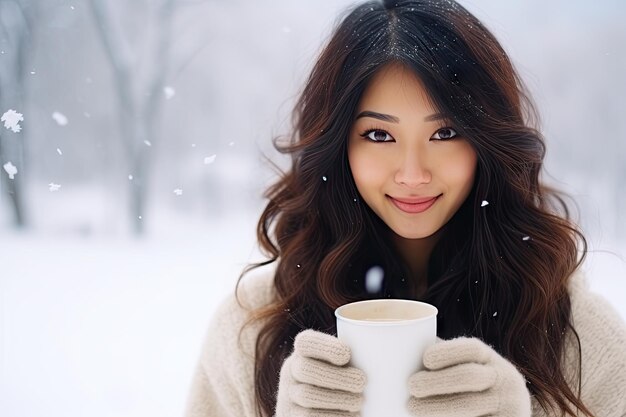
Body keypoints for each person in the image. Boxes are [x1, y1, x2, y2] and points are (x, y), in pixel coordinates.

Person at [184, 1, 626, 416]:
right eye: (379, 135)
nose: (412, 174)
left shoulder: (576, 335)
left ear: (487, 142)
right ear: (338, 148)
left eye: (445, 133)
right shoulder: (250, 334)